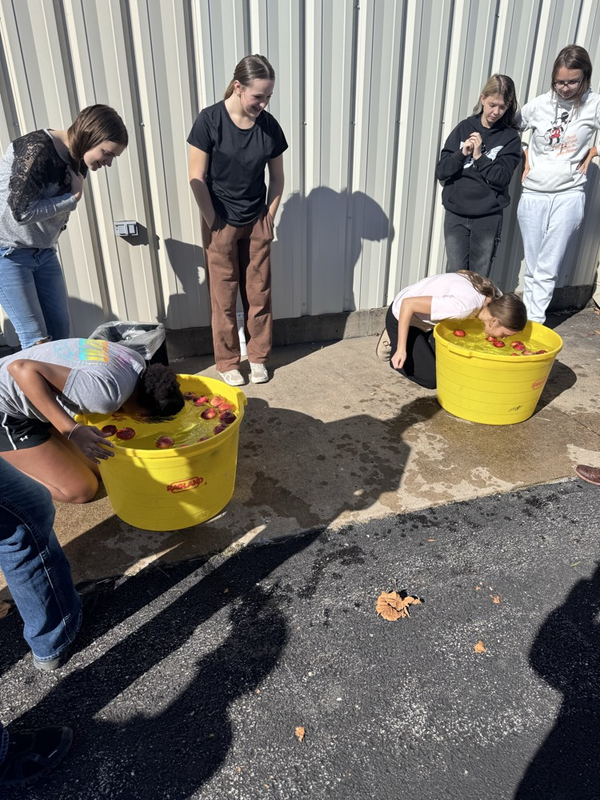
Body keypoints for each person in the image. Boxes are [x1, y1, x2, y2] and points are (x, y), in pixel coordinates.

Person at [188, 54, 288, 386]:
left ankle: (258, 358)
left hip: (256, 220)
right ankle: (228, 361)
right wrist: (213, 220)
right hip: (221, 222)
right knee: (224, 296)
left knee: (259, 294)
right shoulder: (209, 121)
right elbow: (196, 177)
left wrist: (269, 215)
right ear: (237, 87)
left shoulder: (269, 127)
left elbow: (277, 178)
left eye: (268, 96)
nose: (263, 103)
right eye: (258, 95)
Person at [0, 105, 128, 349]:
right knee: (36, 340)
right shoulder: (36, 150)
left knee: (59, 335)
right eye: (107, 153)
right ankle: (37, 388)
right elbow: (20, 212)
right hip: (8, 253)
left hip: (44, 253)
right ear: (89, 136)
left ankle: (58, 387)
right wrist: (73, 198)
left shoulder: (78, 159)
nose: (109, 162)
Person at [0, 338, 184, 504]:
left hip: (34, 402)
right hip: (7, 412)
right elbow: (21, 368)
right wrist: (72, 431)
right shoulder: (107, 396)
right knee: (81, 490)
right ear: (144, 413)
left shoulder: (135, 361)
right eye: (146, 419)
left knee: (101, 468)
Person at [516, 45, 600, 324]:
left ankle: (533, 323)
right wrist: (525, 152)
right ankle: (524, 320)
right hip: (534, 194)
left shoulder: (594, 104)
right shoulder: (539, 105)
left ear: (585, 77)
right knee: (532, 266)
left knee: (548, 267)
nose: (565, 88)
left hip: (569, 194)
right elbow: (509, 128)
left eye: (572, 81)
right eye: (559, 81)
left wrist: (594, 151)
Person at [378, 270, 527, 390]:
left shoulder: (497, 298)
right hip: (403, 317)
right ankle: (393, 342)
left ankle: (420, 341)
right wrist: (401, 349)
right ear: (494, 321)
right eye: (505, 334)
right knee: (432, 378)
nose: (504, 338)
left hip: (428, 323)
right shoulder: (462, 307)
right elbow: (407, 304)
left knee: (450, 366)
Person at [435, 74, 522, 277]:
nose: (496, 112)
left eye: (503, 107)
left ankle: (476, 310)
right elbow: (441, 171)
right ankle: (455, 311)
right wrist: (462, 153)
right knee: (455, 275)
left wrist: (479, 156)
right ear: (482, 98)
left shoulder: (510, 138)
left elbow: (502, 178)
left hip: (487, 216)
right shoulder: (464, 128)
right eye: (492, 104)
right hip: (456, 213)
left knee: (479, 277)